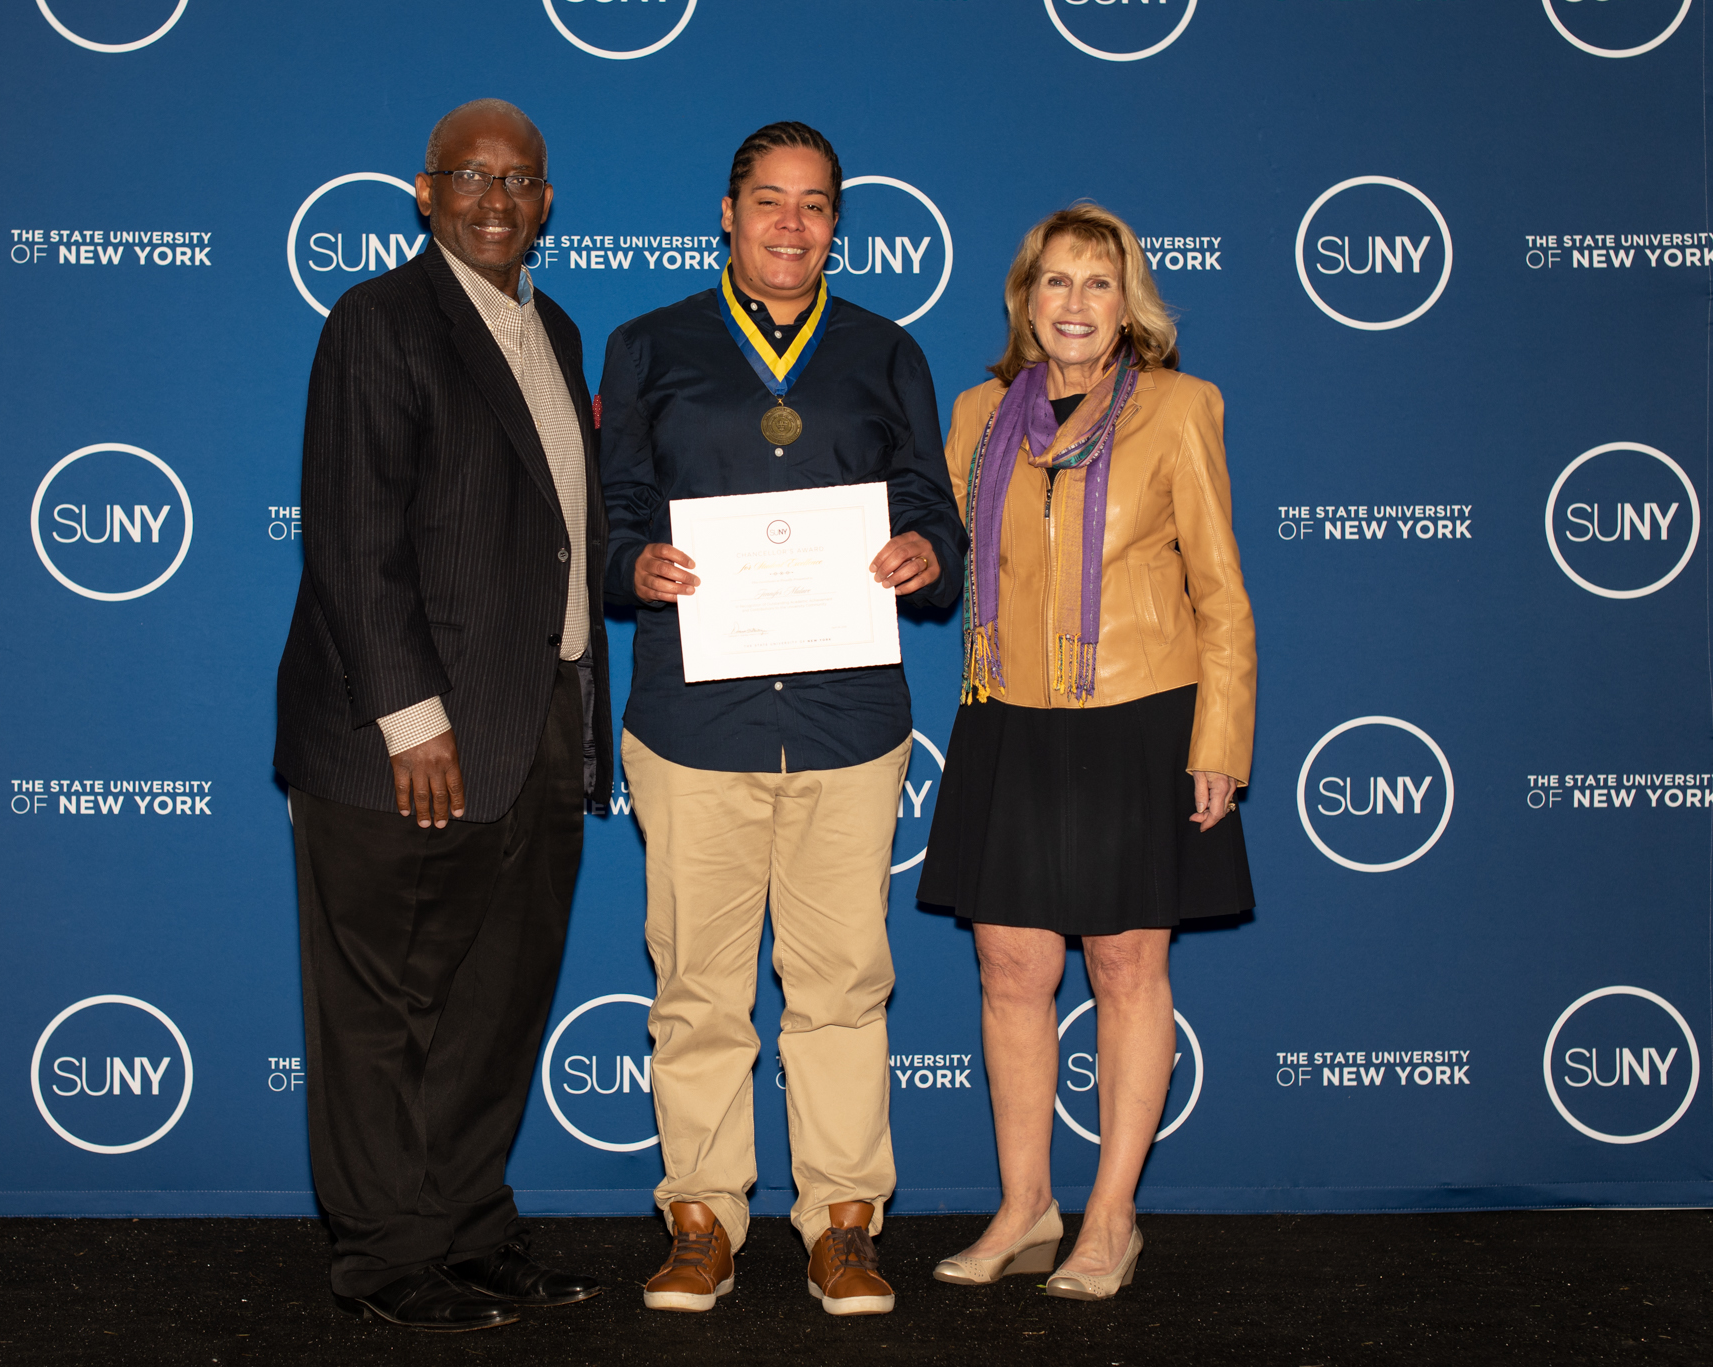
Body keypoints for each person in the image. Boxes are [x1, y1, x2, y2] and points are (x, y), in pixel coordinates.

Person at [600, 121, 965, 1318]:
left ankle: (843, 1224)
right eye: (769, 201)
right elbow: (608, 519)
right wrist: (633, 564)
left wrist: (926, 553)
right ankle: (700, 1217)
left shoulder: (883, 350)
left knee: (841, 983)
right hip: (692, 718)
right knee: (697, 985)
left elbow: (933, 513)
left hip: (848, 718)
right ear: (726, 211)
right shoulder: (648, 345)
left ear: (835, 226)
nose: (790, 226)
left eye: (814, 206)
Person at [273, 97, 612, 1333]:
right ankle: (384, 1246)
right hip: (405, 741)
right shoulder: (379, 322)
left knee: (496, 995)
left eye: (516, 180)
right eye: (467, 176)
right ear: (423, 194)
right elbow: (354, 537)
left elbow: (562, 540)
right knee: (385, 1004)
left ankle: (468, 1220)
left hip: (539, 725)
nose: (492, 199)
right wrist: (412, 717)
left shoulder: (556, 330)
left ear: (545, 204)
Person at [918, 203, 1255, 1301]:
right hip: (1007, 712)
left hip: (1138, 715)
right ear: (1024, 299)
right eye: (1053, 282)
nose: (1072, 302)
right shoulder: (976, 414)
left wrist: (1220, 740)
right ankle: (1025, 1204)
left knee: (1123, 965)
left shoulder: (1178, 407)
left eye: (1095, 284)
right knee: (1010, 966)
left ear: (1128, 304)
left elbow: (1220, 592)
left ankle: (1110, 1213)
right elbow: (945, 559)